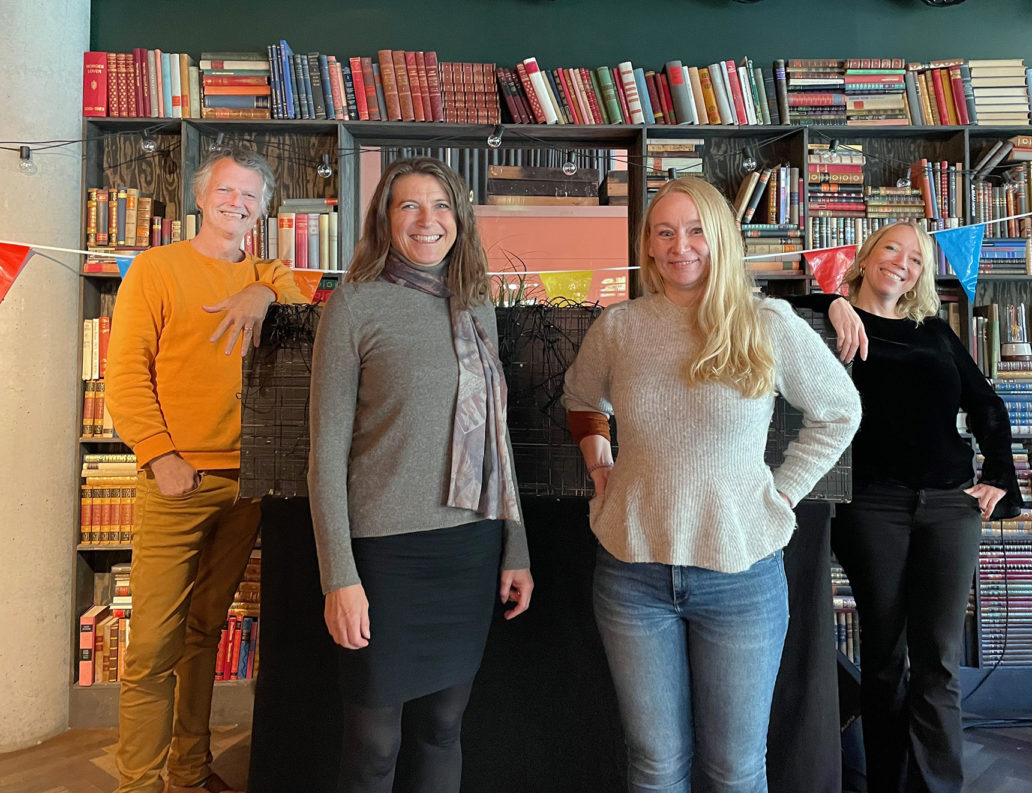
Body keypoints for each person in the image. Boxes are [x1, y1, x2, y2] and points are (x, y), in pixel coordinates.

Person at [562, 176, 861, 793]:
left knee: (733, 769)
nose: (681, 246)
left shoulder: (766, 322)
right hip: (632, 573)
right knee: (654, 766)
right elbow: (581, 398)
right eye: (665, 232)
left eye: (697, 230)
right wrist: (600, 464)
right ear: (648, 243)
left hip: (741, 578)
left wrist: (782, 491)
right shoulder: (619, 327)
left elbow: (840, 409)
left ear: (722, 238)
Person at [306, 156, 533, 793]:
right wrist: (339, 577)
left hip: (469, 547)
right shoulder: (354, 305)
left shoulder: (478, 308)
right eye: (409, 205)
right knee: (373, 747)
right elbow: (325, 453)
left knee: (444, 726)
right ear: (386, 219)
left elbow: (498, 445)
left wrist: (515, 548)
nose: (427, 220)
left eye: (440, 206)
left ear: (459, 219)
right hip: (383, 556)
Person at [788, 221, 1022, 793]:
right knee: (885, 656)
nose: (903, 263)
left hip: (948, 506)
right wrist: (829, 302)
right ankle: (885, 784)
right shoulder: (823, 323)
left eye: (916, 259)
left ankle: (940, 787)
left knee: (938, 659)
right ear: (867, 258)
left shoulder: (935, 332)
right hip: (873, 506)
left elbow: (988, 405)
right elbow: (761, 307)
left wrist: (999, 477)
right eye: (892, 248)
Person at [106, 149, 307, 793]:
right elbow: (126, 374)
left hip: (248, 483)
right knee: (151, 647)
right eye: (227, 191)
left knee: (205, 630)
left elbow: (304, 299)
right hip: (177, 481)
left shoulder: (267, 271)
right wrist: (159, 456)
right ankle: (138, 782)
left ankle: (188, 770)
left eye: (251, 196)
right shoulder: (156, 269)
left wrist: (260, 287)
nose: (237, 203)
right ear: (201, 197)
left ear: (263, 208)